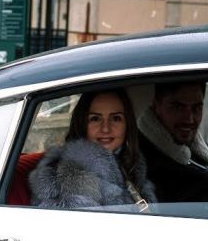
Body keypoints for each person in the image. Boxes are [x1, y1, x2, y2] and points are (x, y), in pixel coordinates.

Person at [28, 89, 156, 211]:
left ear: (127, 124)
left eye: (116, 118)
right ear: (82, 123)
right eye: (95, 118)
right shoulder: (66, 177)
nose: (106, 128)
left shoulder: (131, 166)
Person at [138, 81, 208, 217]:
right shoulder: (142, 161)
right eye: (178, 107)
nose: (189, 119)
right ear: (157, 106)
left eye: (196, 108)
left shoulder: (202, 152)